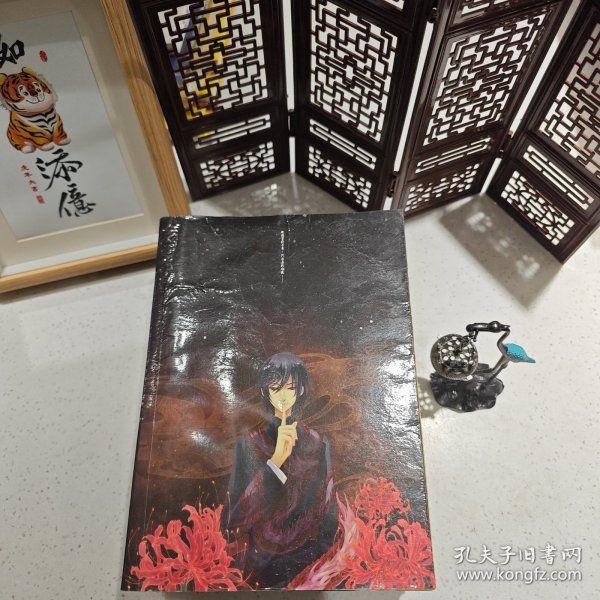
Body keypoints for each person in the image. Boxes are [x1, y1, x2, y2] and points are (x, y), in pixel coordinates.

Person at [222, 352, 338, 588]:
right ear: (265, 392)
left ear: (301, 390)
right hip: (260, 567)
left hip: (310, 565)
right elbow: (233, 518)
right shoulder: (249, 443)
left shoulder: (318, 443)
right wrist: (275, 462)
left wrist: (320, 560)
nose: (283, 396)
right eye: (276, 389)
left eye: (290, 388)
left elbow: (328, 510)